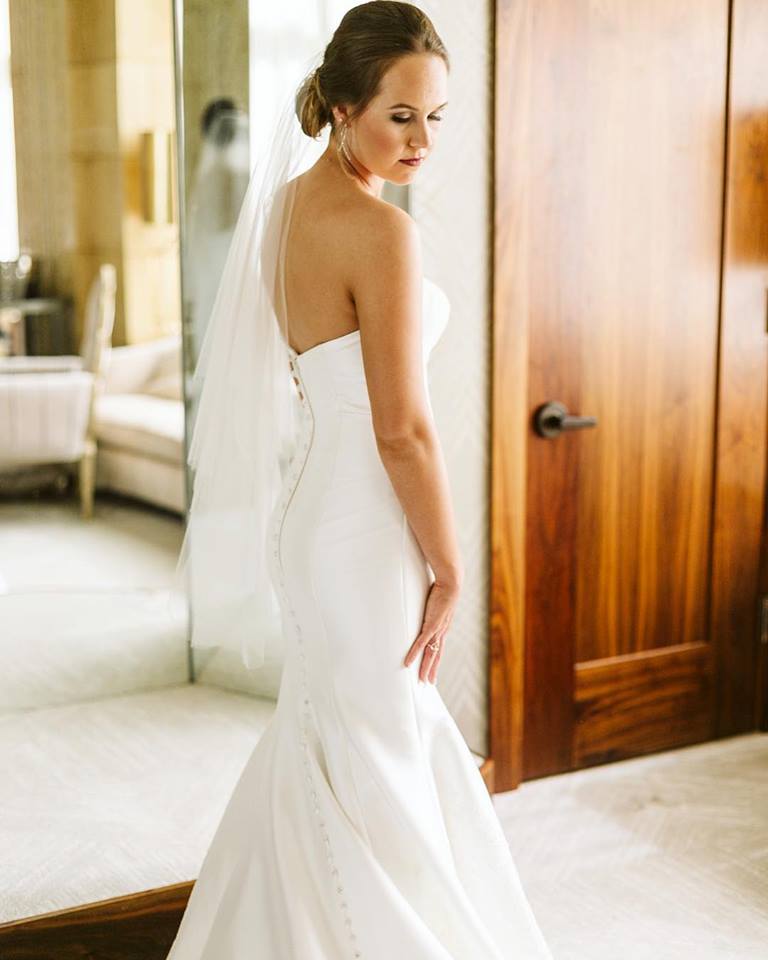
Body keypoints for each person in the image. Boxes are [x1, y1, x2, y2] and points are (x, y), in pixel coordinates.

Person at [167, 3, 554, 957]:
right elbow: (404, 432)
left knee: (345, 742)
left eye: (437, 116)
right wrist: (452, 566)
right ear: (342, 106)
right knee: (376, 748)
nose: (423, 140)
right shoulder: (381, 233)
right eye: (400, 116)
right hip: (367, 534)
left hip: (315, 525)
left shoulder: (287, 209)